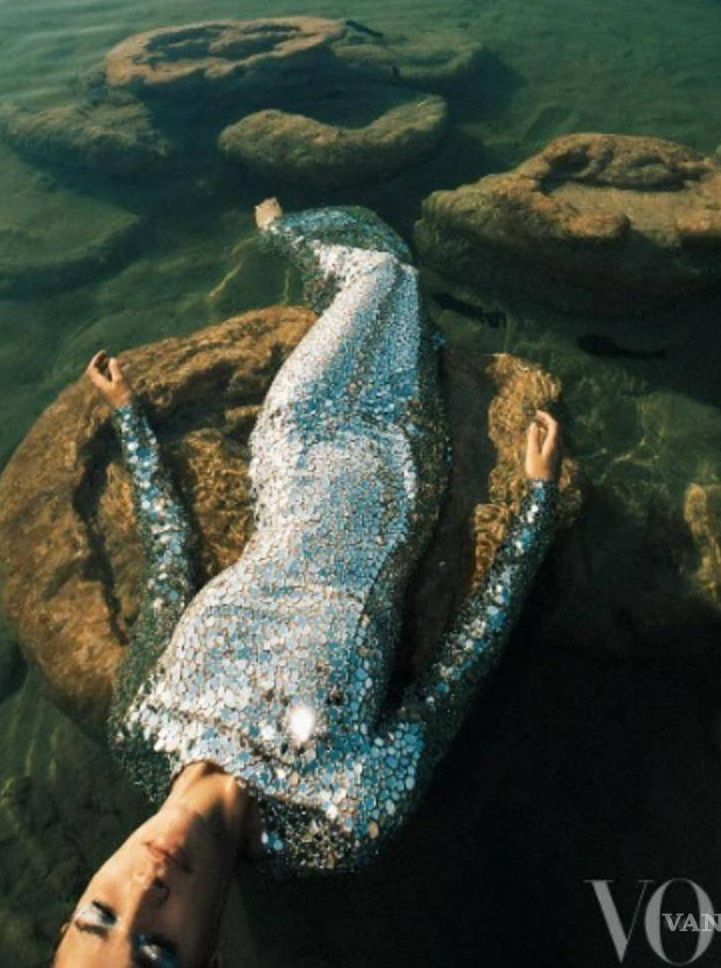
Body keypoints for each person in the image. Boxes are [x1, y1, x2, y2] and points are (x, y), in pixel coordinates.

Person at [52, 199, 564, 967]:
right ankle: (292, 237)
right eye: (156, 950)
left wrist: (132, 418)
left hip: (292, 440)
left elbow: (170, 559)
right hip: (395, 470)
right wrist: (536, 506)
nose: (144, 890)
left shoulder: (139, 726)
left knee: (385, 275)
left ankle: (282, 236)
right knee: (393, 277)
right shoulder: (342, 819)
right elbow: (462, 666)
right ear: (211, 953)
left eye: (99, 912)